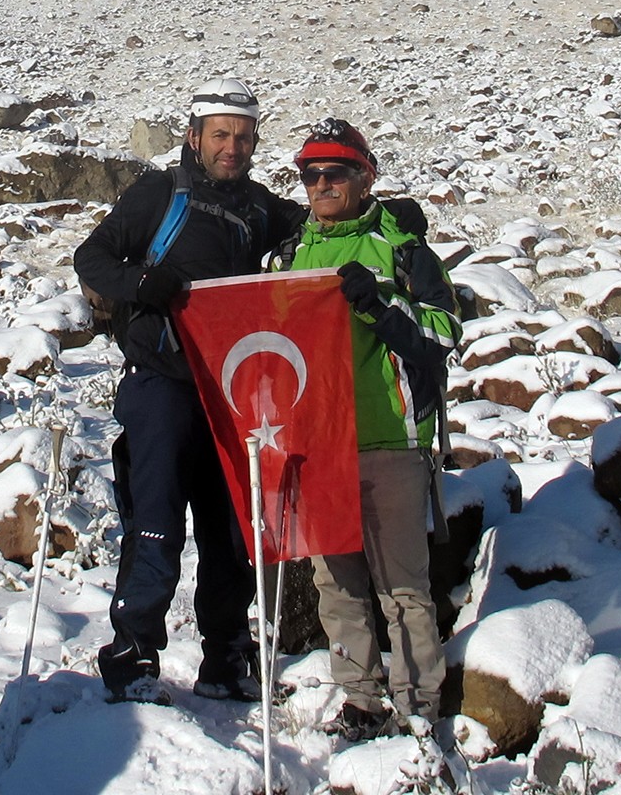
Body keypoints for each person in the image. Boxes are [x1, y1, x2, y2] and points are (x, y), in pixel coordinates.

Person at [74, 77, 306, 705]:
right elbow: (91, 258)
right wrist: (141, 283)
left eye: (244, 136)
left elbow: (321, 226)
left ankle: (225, 657)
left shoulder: (259, 207)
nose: (233, 146)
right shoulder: (158, 195)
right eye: (222, 134)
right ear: (194, 136)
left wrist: (386, 213)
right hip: (163, 384)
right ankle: (134, 654)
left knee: (232, 529)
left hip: (231, 395)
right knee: (155, 521)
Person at [275, 118, 460, 740]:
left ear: (365, 177)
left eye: (335, 172)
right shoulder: (289, 250)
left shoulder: (403, 248)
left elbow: (443, 333)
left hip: (390, 439)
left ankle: (419, 703)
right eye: (310, 174)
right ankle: (360, 698)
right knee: (337, 583)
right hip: (317, 443)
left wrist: (382, 304)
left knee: (403, 586)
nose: (321, 184)